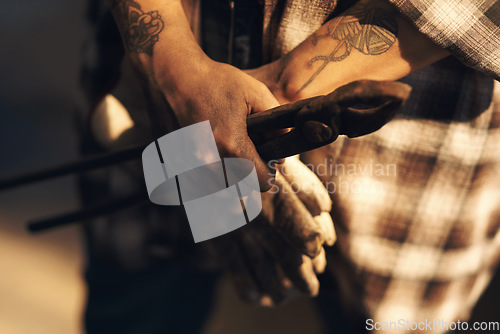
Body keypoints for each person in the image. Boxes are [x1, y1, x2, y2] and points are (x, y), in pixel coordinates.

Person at [78, 0, 500, 333]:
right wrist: (167, 67)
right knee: (134, 310)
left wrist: (260, 99)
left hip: (411, 153)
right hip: (149, 87)